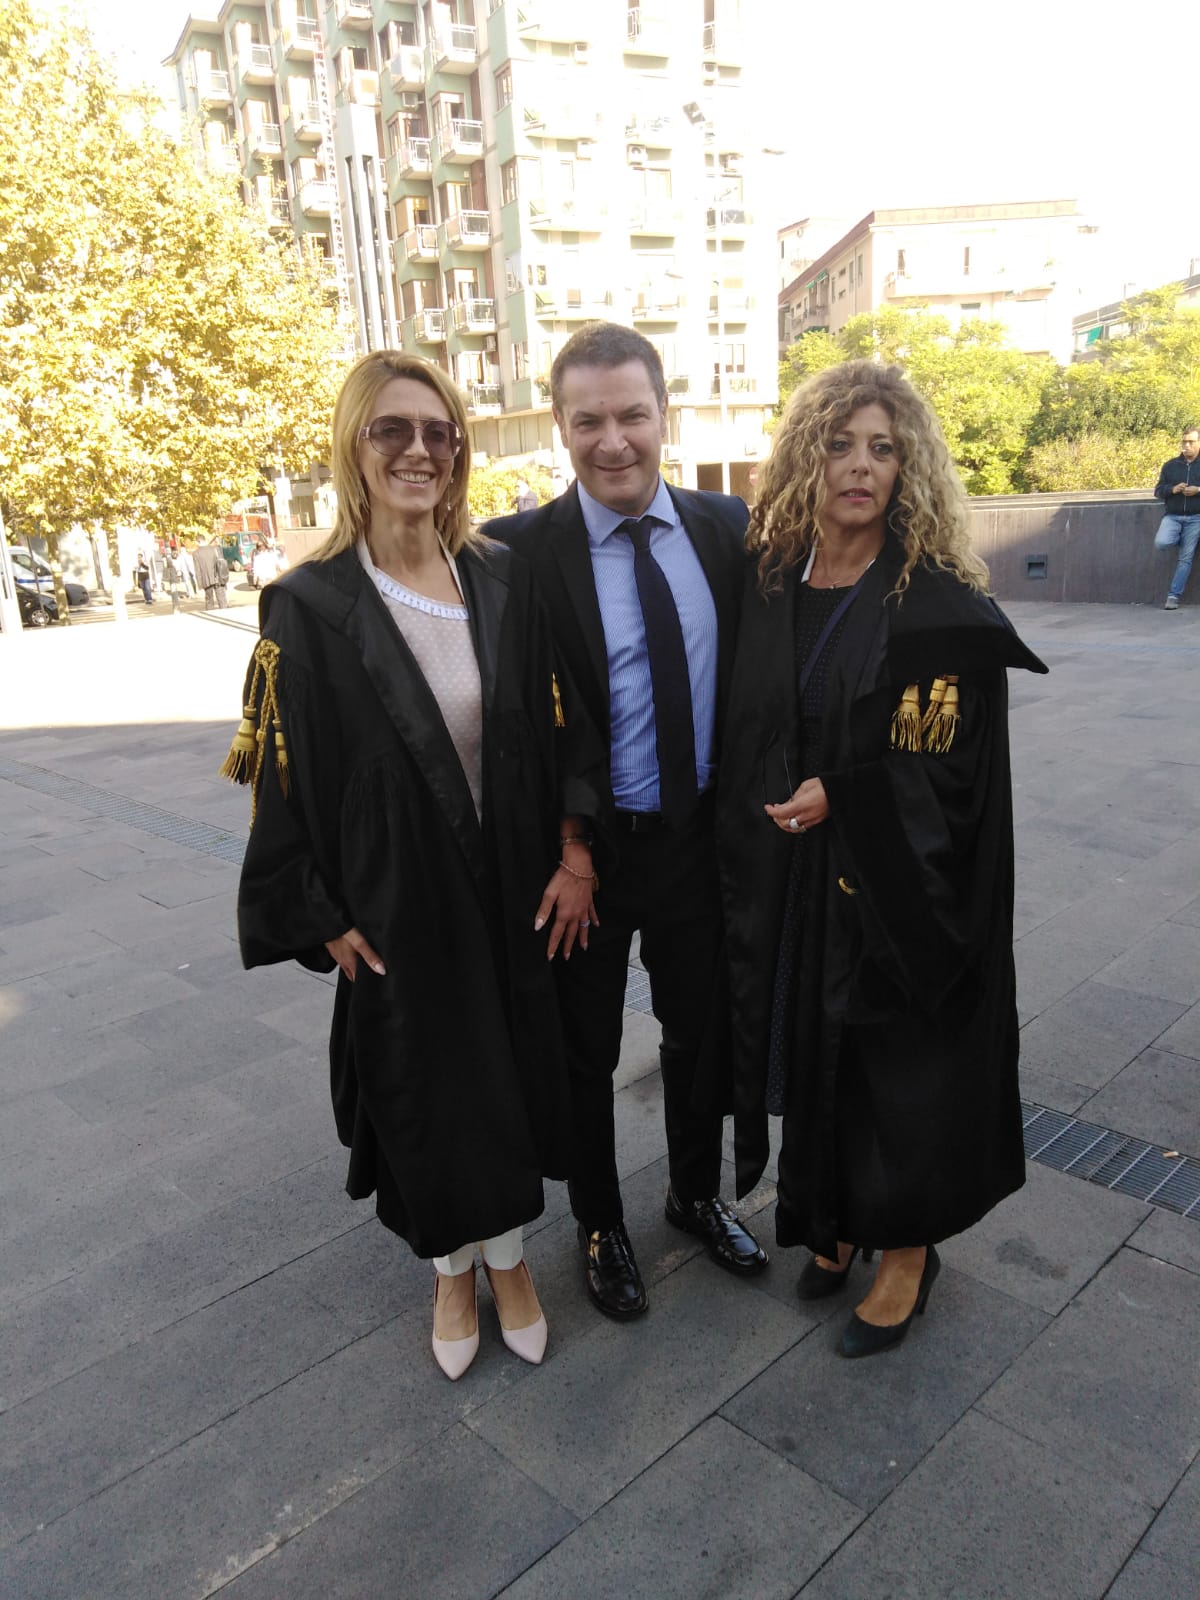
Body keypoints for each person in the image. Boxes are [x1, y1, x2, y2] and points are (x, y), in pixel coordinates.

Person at [226, 350, 601, 1380]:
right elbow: (283, 778)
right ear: (354, 445)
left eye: (439, 432)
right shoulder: (308, 607)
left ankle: (510, 1262)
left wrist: (575, 848)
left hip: (510, 881)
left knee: (508, 1079)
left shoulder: (504, 578)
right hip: (398, 899)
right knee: (427, 1091)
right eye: (392, 429)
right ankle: (450, 1271)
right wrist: (317, 909)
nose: (419, 451)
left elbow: (564, 723)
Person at [717, 361, 1048, 1359]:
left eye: (883, 449)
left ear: (909, 470)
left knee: (897, 1064)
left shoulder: (931, 606)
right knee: (823, 1055)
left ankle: (907, 1250)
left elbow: (945, 771)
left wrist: (845, 793)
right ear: (805, 458)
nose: (860, 466)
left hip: (901, 885)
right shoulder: (773, 584)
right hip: (801, 879)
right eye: (840, 445)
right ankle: (837, 1215)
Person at [486, 322, 767, 1321]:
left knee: (701, 1035)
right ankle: (599, 1223)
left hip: (699, 845)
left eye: (632, 416)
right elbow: (516, 722)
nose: (613, 441)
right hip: (587, 862)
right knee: (585, 1051)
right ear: (560, 427)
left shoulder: (728, 528)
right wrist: (568, 845)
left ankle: (694, 1194)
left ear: (664, 414)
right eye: (588, 421)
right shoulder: (517, 553)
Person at [1153, 426, 1200, 609]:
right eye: (1184, 441)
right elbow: (1158, 491)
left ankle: (1173, 596)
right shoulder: (1170, 465)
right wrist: (1173, 489)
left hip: (1196, 518)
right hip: (1173, 516)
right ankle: (1182, 538)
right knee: (1161, 542)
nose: (1186, 445)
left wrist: (1198, 490)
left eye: (1191, 442)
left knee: (1185, 559)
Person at [194, 537, 229, 609]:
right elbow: (221, 563)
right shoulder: (215, 549)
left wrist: (200, 584)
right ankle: (225, 612)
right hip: (218, 577)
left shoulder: (196, 553)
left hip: (206, 579)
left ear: (197, 542)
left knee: (209, 600)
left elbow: (197, 569)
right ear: (205, 540)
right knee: (222, 599)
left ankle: (211, 612)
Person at [162, 544, 188, 614]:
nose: (174, 552)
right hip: (173, 571)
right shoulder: (171, 557)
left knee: (178, 582)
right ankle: (178, 595)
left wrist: (179, 570)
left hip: (177, 570)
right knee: (176, 583)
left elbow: (179, 563)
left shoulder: (177, 557)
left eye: (175, 551)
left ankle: (179, 594)